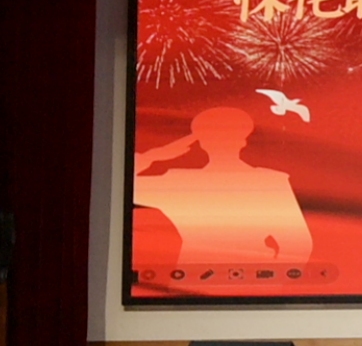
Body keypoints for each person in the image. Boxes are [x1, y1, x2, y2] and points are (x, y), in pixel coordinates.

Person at [133, 107, 313, 264]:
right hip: (255, 278)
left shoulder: (177, 183)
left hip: (193, 279)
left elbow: (128, 188)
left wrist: (153, 156)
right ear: (244, 141)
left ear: (201, 144)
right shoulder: (270, 182)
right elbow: (298, 245)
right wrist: (277, 280)